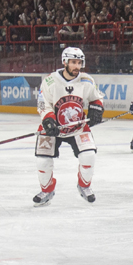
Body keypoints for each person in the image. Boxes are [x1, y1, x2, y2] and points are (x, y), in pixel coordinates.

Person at [33, 45, 105, 205]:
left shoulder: (86, 80)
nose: (77, 66)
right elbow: (43, 103)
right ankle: (47, 190)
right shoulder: (50, 80)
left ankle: (84, 186)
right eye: (73, 62)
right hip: (53, 127)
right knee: (43, 161)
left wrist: (97, 108)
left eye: (79, 63)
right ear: (65, 62)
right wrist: (48, 120)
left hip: (77, 127)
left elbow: (96, 97)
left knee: (89, 156)